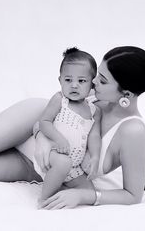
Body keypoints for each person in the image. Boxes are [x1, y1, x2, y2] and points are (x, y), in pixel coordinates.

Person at [0, 46, 145, 209]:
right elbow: (48, 116)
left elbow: (133, 195)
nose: (93, 82)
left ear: (127, 95)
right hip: (28, 125)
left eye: (102, 80)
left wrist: (81, 195)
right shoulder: (94, 96)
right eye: (97, 75)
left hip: (35, 168)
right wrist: (41, 137)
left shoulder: (132, 132)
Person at [32, 47, 101, 203]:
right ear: (60, 80)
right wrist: (59, 139)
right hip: (53, 155)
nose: (74, 85)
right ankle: (44, 199)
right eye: (68, 80)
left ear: (92, 84)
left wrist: (95, 156)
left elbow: (94, 136)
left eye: (81, 81)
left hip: (74, 166)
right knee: (63, 163)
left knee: (89, 191)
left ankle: (59, 188)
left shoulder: (94, 110)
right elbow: (44, 122)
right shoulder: (60, 100)